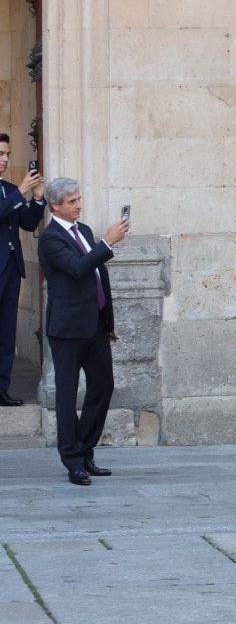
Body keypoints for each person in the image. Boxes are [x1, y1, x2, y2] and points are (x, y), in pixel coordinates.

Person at [38, 178, 127, 485]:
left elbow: (99, 276)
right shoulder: (50, 239)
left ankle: (85, 449)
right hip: (67, 329)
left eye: (79, 199)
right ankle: (72, 460)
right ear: (56, 207)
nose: (79, 205)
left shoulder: (84, 231)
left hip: (95, 326)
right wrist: (108, 243)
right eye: (72, 201)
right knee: (66, 394)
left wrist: (109, 320)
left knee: (103, 385)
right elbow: (77, 269)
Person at [0, 134, 45, 406]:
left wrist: (37, 200)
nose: (4, 159)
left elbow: (27, 223)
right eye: (0, 154)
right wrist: (21, 190)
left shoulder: (7, 189)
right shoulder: (12, 191)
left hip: (11, 269)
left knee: (6, 332)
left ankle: (1, 388)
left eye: (6, 153)